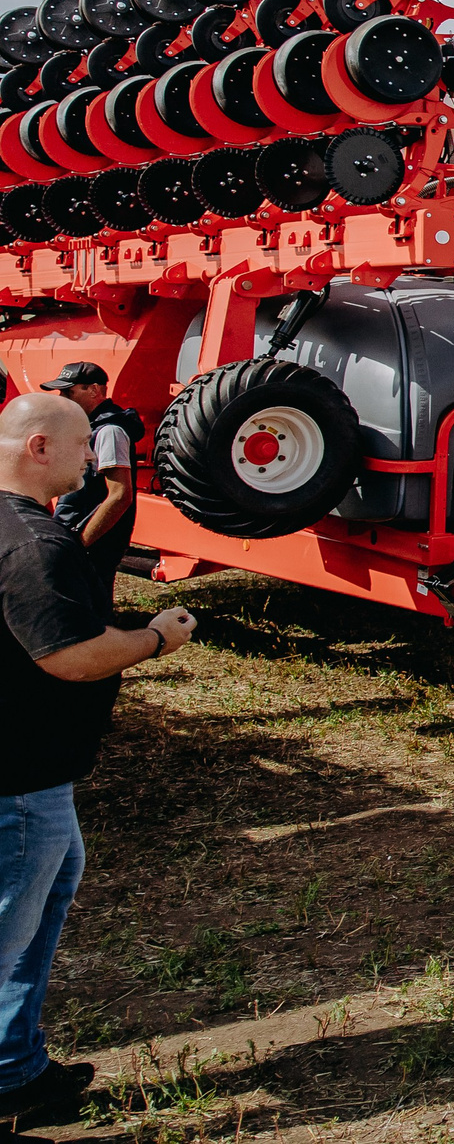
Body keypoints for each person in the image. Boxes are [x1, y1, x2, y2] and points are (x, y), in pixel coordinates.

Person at [1, 392, 198, 1129]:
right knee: (7, 935)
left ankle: (14, 1071)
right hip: (20, 780)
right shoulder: (35, 544)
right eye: (85, 444)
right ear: (39, 447)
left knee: (37, 915)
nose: (95, 459)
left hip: (36, 777)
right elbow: (74, 657)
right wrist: (154, 637)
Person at [41, 365, 141, 580]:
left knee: (93, 607)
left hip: (93, 545)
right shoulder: (93, 426)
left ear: (94, 390)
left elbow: (120, 495)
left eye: (69, 392)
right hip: (78, 537)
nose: (62, 398)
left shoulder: (110, 431)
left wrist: (81, 543)